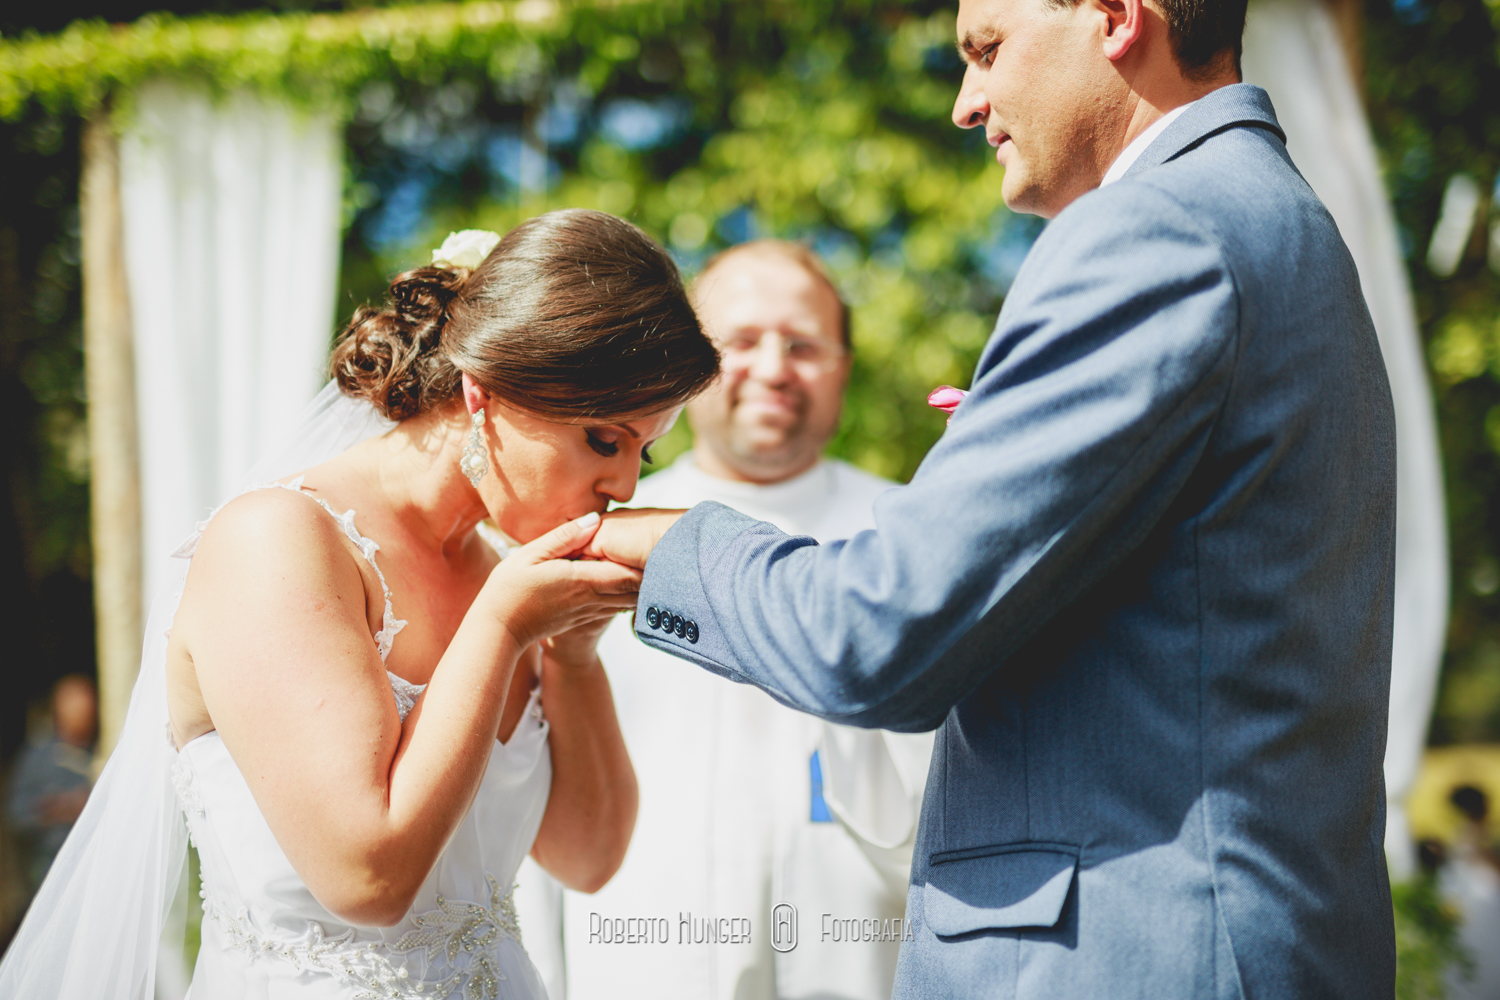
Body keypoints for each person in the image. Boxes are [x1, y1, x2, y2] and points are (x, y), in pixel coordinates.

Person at [585, 0, 1398, 996]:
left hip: (1131, 954)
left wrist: (655, 545)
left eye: (986, 49)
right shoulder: (1278, 223)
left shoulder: (1154, 231)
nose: (967, 103)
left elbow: (878, 632)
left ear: (1111, 18)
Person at [0, 209, 720, 1000]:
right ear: (484, 393)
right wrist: (504, 623)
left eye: (641, 450)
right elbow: (366, 878)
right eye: (604, 439)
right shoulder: (277, 542)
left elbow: (588, 857)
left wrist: (574, 657)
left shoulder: (505, 576)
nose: (624, 487)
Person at [516, 240, 930, 1000]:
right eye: (739, 342)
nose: (773, 368)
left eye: (803, 345)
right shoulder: (594, 533)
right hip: (639, 956)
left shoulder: (908, 536)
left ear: (842, 368)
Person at [6, 675, 96, 893]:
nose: (82, 711)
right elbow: (16, 816)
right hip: (50, 868)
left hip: (95, 864)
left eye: (86, 705)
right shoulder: (37, 760)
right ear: (58, 709)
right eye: (74, 705)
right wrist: (57, 809)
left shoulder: (105, 753)